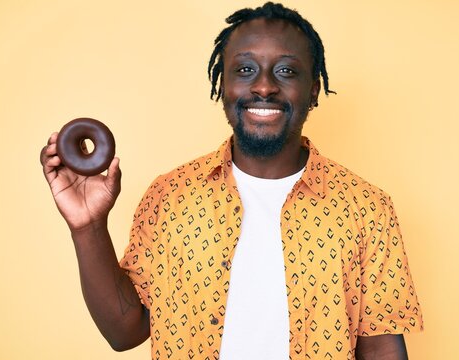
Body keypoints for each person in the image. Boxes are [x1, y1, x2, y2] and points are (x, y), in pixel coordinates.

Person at [40, 2, 423, 359]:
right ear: (222, 85)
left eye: (286, 70)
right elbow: (125, 333)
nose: (264, 86)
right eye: (245, 70)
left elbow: (382, 350)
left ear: (314, 89)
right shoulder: (170, 196)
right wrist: (87, 227)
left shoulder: (366, 207)